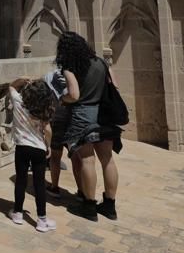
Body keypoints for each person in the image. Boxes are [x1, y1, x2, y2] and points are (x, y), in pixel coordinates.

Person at [56, 32, 122, 221]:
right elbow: (114, 86)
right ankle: (110, 206)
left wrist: (62, 99)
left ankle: (89, 206)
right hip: (104, 114)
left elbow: (74, 95)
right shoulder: (102, 63)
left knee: (87, 160)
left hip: (83, 115)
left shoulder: (70, 68)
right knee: (107, 159)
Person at [7, 77, 58, 231]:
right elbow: (48, 130)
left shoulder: (19, 102)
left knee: (21, 180)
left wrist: (20, 80)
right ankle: (41, 220)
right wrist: (48, 145)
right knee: (39, 183)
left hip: (22, 147)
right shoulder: (43, 108)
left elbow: (11, 86)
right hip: (38, 148)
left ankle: (17, 213)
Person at [43, 68, 78, 201]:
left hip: (57, 117)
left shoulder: (49, 76)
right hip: (73, 116)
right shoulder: (77, 76)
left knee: (55, 156)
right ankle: (81, 190)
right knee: (76, 156)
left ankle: (55, 187)